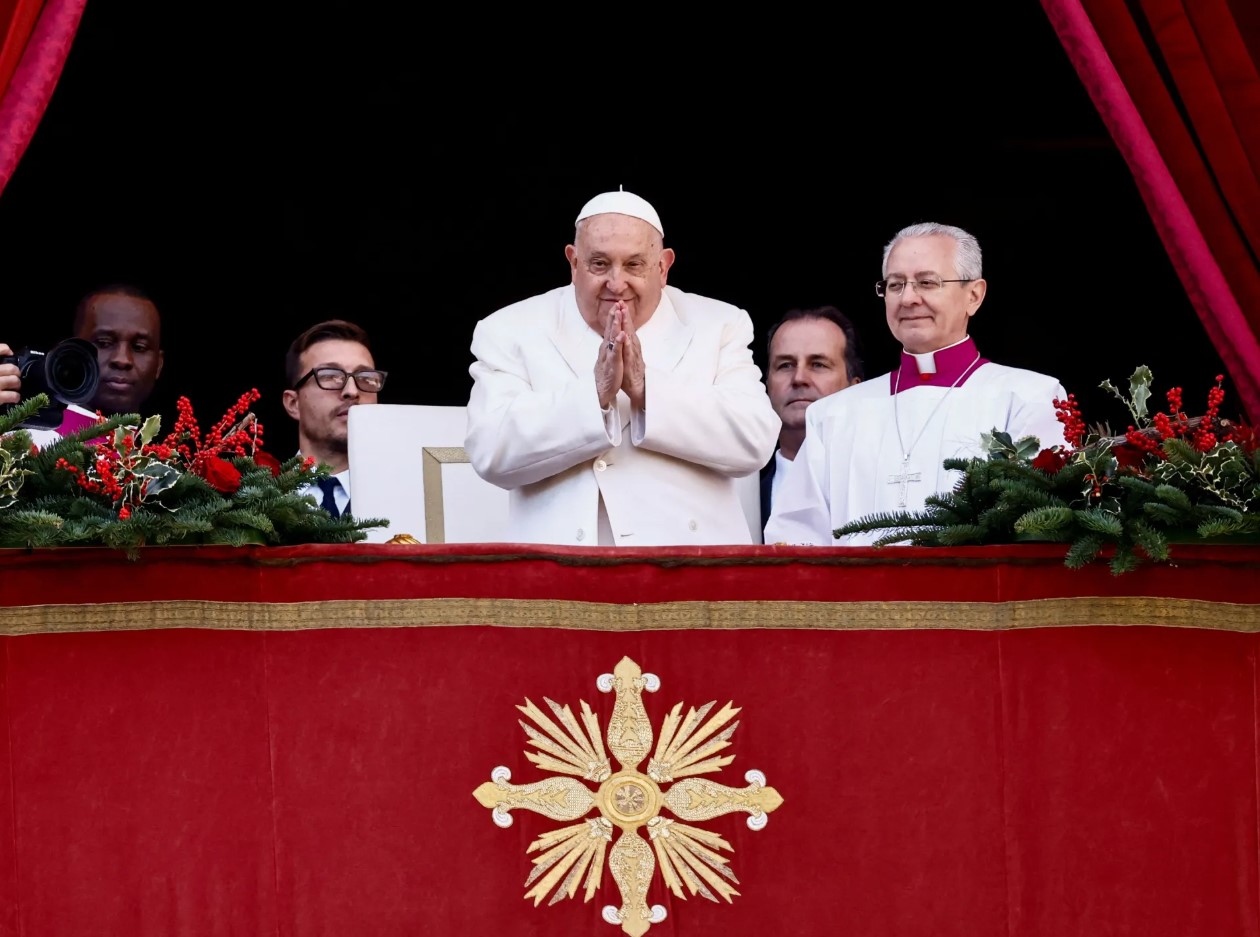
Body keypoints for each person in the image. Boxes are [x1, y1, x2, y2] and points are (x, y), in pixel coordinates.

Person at [464, 188, 779, 546]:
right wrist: (594, 394)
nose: (616, 283)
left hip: (691, 569)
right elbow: (491, 451)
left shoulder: (718, 324)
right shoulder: (510, 329)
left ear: (663, 267)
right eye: (599, 264)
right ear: (573, 262)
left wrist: (647, 390)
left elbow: (755, 441)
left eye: (634, 265)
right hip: (561, 571)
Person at [765, 221, 1067, 546]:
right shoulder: (832, 415)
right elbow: (796, 539)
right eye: (895, 285)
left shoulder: (1029, 398)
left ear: (974, 296)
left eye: (926, 282)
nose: (908, 298)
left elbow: (1040, 532)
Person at [761, 305, 864, 530]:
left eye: (818, 364)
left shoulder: (877, 486)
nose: (799, 378)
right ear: (767, 386)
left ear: (855, 389)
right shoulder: (737, 497)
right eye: (785, 365)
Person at [282, 319, 385, 518]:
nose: (352, 391)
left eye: (365, 378)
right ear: (293, 403)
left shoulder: (410, 497)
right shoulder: (252, 503)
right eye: (330, 375)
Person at [72, 284, 165, 415]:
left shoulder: (176, 435)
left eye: (139, 347)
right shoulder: (34, 435)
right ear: (71, 353)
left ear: (159, 365)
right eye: (104, 343)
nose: (122, 360)